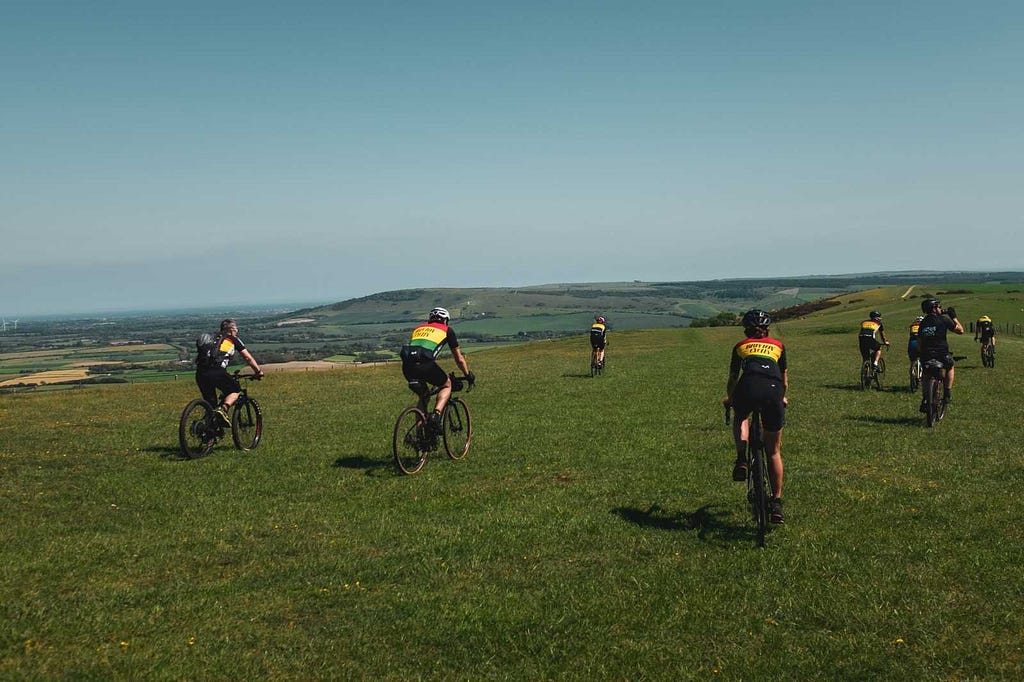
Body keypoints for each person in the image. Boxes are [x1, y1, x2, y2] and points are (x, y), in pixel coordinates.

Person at [723, 309, 789, 524]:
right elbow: (784, 379)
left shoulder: (740, 346)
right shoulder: (778, 346)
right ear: (767, 329)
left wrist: (729, 398)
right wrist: (783, 397)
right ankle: (777, 503)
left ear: (746, 330)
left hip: (748, 387)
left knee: (741, 415)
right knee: (773, 452)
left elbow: (734, 378)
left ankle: (742, 458)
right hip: (773, 390)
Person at [400, 307, 475, 432]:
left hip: (407, 366)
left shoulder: (418, 328)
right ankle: (436, 414)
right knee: (447, 384)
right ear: (445, 320)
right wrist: (467, 374)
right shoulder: (447, 330)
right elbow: (459, 359)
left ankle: (420, 436)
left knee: (423, 396)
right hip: (425, 364)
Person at [194, 318, 264, 426]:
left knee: (211, 404)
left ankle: (207, 430)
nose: (236, 332)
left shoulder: (210, 338)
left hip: (201, 372)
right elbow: (248, 358)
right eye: (236, 330)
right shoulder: (232, 339)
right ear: (232, 330)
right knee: (235, 390)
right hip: (217, 371)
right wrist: (258, 371)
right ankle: (224, 408)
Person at [917, 298, 965, 408]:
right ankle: (947, 393)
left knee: (926, 374)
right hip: (941, 352)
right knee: (950, 366)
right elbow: (960, 331)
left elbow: (919, 343)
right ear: (934, 309)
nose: (940, 308)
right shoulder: (943, 319)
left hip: (926, 353)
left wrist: (922, 353)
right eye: (939, 306)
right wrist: (954, 317)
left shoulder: (923, 323)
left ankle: (925, 398)